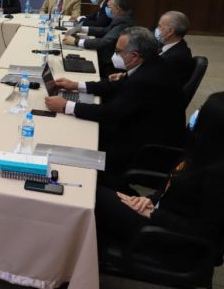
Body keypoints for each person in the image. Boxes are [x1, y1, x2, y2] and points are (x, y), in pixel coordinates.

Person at [45, 27, 186, 181]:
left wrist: (66, 106)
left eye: (118, 51)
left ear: (134, 56)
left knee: (78, 143)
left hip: (144, 146)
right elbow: (116, 85)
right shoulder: (151, 63)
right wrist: (76, 85)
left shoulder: (146, 79)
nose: (115, 55)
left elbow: (110, 113)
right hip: (139, 126)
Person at [94, 92, 224, 253]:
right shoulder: (204, 150)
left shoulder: (218, 175)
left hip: (167, 235)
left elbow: (205, 232)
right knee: (99, 177)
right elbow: (172, 183)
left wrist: (153, 213)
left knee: (94, 196)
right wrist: (150, 199)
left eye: (202, 111)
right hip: (159, 211)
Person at [110, 11, 194, 88]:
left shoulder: (175, 58)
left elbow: (147, 77)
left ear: (170, 31)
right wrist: (124, 75)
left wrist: (125, 78)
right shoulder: (172, 45)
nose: (156, 29)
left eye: (159, 26)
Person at [64, 0, 135, 77]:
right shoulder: (121, 18)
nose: (107, 9)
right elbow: (105, 30)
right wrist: (82, 29)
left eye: (109, 7)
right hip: (106, 56)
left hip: (109, 64)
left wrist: (76, 41)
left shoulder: (123, 22)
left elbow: (104, 41)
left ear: (118, 8)